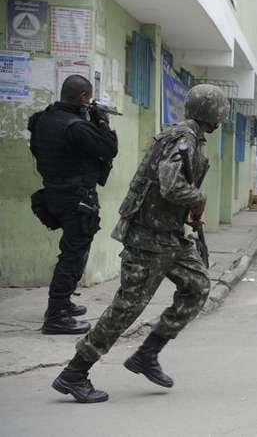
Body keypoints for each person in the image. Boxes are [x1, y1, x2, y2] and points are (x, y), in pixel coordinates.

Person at [51, 84, 229, 403]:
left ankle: (147, 354)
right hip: (148, 237)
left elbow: (170, 188)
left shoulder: (186, 136)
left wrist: (188, 211)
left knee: (198, 286)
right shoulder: (182, 138)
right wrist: (197, 198)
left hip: (169, 235)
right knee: (127, 307)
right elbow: (171, 185)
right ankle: (74, 373)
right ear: (213, 115)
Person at [27, 74, 118, 335]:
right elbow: (109, 149)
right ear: (83, 97)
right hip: (76, 198)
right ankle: (55, 316)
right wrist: (101, 121)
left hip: (53, 191)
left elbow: (39, 151)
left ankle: (63, 303)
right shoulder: (76, 127)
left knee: (72, 251)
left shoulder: (43, 119)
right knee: (73, 255)